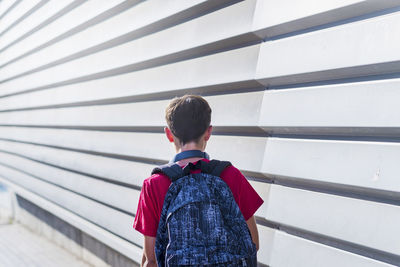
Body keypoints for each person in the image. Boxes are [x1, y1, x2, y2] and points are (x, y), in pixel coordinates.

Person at [133, 95, 264, 267]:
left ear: (169, 134)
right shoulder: (230, 175)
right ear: (208, 132)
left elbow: (151, 260)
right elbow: (252, 243)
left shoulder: (154, 184)